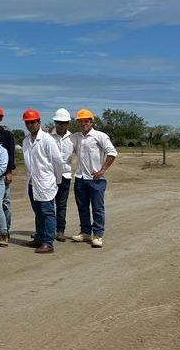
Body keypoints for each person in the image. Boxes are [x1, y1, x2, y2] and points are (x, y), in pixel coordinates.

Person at [21, 109, 66, 253]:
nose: (31, 125)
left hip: (45, 182)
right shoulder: (26, 141)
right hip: (32, 182)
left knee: (47, 212)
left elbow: (58, 162)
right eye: (28, 123)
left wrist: (57, 179)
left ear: (39, 122)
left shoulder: (47, 140)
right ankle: (39, 238)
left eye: (33, 122)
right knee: (38, 212)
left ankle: (48, 242)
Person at [70, 109, 117, 248]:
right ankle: (85, 232)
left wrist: (102, 170)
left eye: (86, 121)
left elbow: (112, 152)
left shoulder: (100, 136)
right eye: (81, 121)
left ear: (92, 122)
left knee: (97, 208)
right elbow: (63, 142)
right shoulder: (76, 137)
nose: (84, 123)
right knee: (82, 207)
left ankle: (97, 235)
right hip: (80, 178)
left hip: (96, 179)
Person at [50, 108, 75, 242]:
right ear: (55, 122)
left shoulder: (72, 138)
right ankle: (46, 229)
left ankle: (60, 231)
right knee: (47, 204)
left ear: (68, 124)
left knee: (61, 205)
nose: (60, 125)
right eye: (58, 122)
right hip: (50, 175)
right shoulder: (48, 136)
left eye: (63, 123)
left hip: (65, 175)